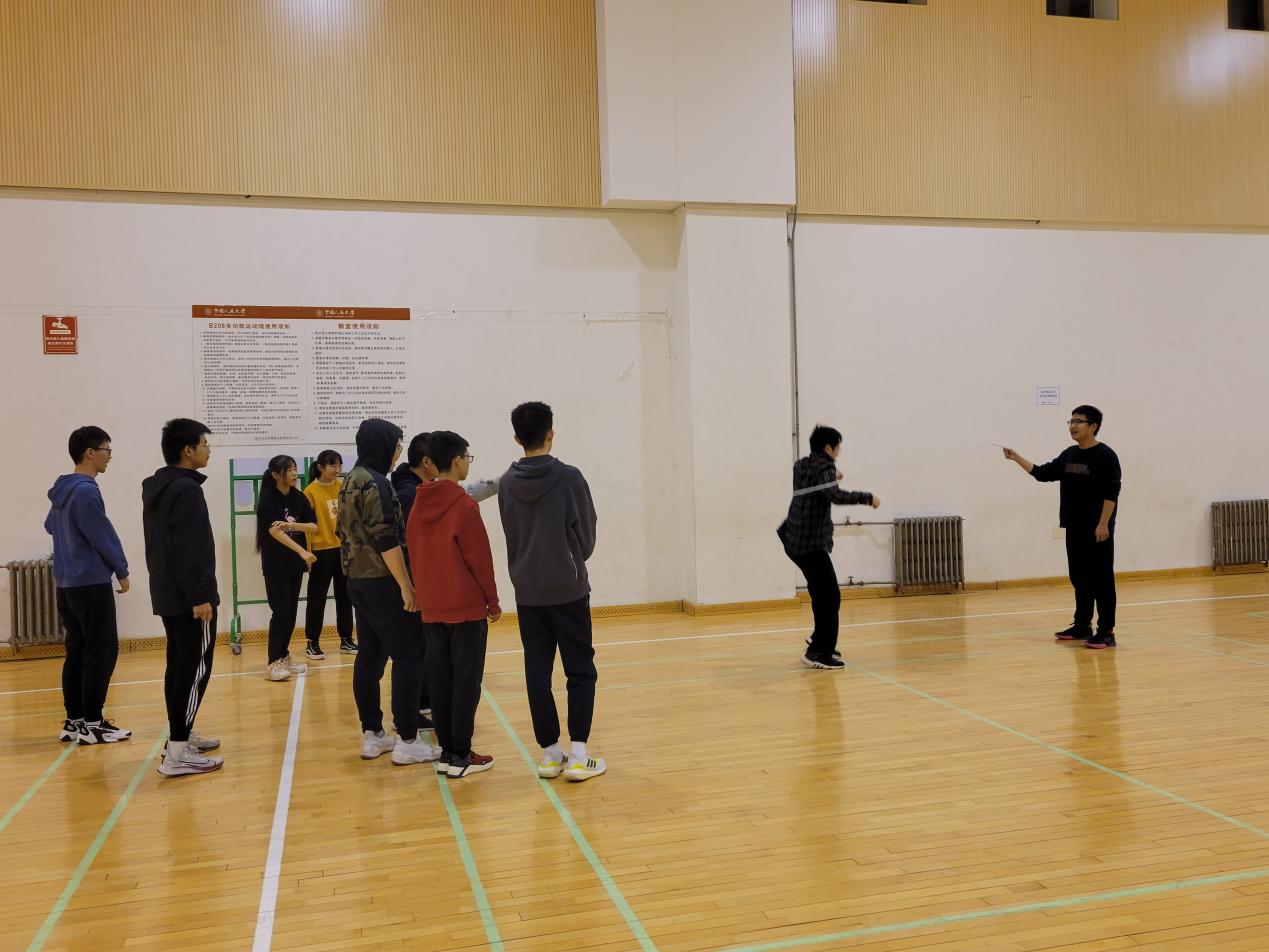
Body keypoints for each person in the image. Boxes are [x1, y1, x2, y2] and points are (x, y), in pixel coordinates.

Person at [498, 401, 604, 782]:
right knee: (580, 670)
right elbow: (586, 537)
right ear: (551, 434)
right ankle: (579, 755)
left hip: (528, 592)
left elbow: (512, 533)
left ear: (516, 438)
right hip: (569, 590)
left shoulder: (506, 483)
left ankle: (549, 753)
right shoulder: (570, 478)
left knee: (537, 673)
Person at [338, 418, 438, 765]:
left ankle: (373, 734)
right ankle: (408, 739)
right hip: (384, 582)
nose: (398, 453)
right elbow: (386, 538)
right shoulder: (377, 483)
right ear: (382, 446)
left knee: (370, 655)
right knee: (410, 655)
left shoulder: (349, 479)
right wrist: (406, 585)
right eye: (396, 446)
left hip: (357, 582)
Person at [407, 431, 501, 779]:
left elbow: (414, 555)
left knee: (441, 680)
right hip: (465, 608)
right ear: (458, 460)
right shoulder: (464, 506)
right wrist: (492, 601)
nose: (468, 464)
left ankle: (448, 751)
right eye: (467, 458)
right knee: (466, 682)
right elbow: (480, 560)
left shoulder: (418, 504)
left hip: (432, 608)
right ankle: (461, 754)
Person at [142, 418, 223, 777]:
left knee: (178, 667)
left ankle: (181, 735)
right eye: (205, 444)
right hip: (191, 599)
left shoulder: (159, 487)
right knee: (193, 670)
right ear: (188, 450)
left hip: (168, 593)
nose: (209, 450)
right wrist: (200, 596)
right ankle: (177, 753)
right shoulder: (187, 490)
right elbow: (192, 549)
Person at [1003, 405, 1122, 649]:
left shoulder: (1106, 455)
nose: (1073, 426)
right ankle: (1082, 625)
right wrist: (1016, 457)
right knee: (1080, 578)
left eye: (1078, 421)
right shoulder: (1069, 454)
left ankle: (1106, 630)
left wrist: (1103, 524)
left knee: (1101, 580)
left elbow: (1112, 492)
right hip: (1074, 527)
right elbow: (1042, 473)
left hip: (1098, 529)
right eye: (1071, 421)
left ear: (1093, 426)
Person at [45, 426, 132, 745]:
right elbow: (101, 534)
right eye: (107, 450)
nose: (109, 456)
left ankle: (75, 721)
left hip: (66, 584)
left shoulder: (63, 490)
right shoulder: (85, 491)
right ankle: (94, 722)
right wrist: (121, 568)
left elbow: (49, 525)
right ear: (90, 453)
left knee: (78, 651)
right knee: (101, 651)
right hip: (91, 583)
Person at [778, 424, 880, 670]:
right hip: (810, 545)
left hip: (793, 539)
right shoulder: (825, 467)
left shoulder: (801, 465)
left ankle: (819, 640)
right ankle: (820, 653)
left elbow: (817, 481)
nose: (839, 451)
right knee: (831, 596)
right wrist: (867, 498)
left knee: (820, 592)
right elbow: (835, 496)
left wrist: (832, 476)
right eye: (838, 447)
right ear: (828, 448)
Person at [256, 454, 317, 680]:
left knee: (290, 613)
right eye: (288, 470)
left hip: (295, 565)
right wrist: (301, 551)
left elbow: (313, 526)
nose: (294, 473)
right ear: (275, 474)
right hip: (276, 564)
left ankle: (283, 656)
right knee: (280, 612)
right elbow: (274, 531)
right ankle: (273, 663)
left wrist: (293, 525)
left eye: (294, 468)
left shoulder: (298, 497)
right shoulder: (268, 498)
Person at [303, 449, 356, 658]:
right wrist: (307, 554)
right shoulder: (310, 492)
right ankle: (312, 642)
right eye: (333, 465)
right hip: (320, 552)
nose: (337, 469)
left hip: (342, 549)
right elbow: (307, 527)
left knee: (345, 597)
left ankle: (346, 639)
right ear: (320, 467)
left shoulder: (341, 486)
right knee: (317, 598)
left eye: (339, 465)